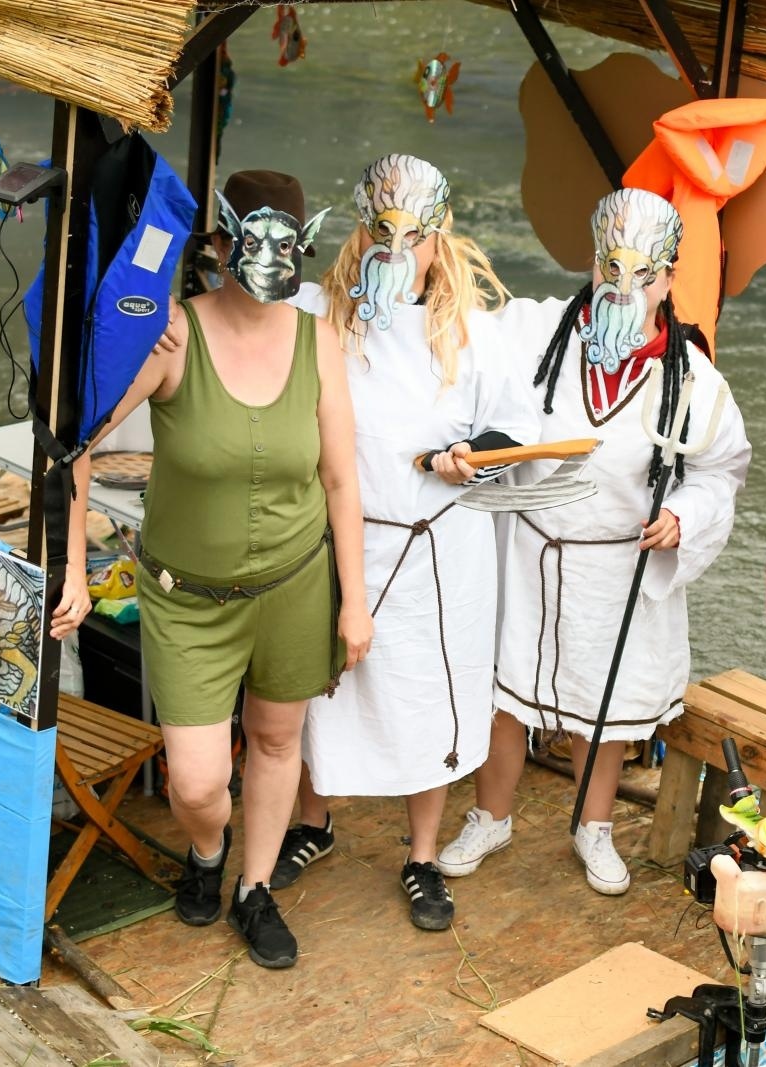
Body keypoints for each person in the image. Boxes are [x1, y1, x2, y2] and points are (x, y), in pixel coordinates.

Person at [48, 170, 372, 970]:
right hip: (187, 598)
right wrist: (72, 566)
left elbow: (340, 479)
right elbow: (75, 440)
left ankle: (252, 889)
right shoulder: (171, 335)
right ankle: (205, 847)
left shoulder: (318, 340)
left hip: (295, 584)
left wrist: (354, 601)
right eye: (244, 241)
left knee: (274, 738)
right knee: (196, 781)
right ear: (219, 243)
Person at [435, 188, 751, 895]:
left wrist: (686, 516)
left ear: (670, 277)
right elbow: (468, 365)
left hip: (619, 560)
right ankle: (491, 813)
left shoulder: (691, 378)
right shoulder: (533, 331)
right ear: (593, 262)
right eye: (611, 268)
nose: (623, 287)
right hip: (530, 545)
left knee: (601, 706)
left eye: (643, 274)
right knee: (504, 692)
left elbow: (722, 468)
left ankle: (594, 824)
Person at [269, 153, 539, 930]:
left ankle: (421, 856)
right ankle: (314, 822)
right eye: (383, 231)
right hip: (340, 538)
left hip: (438, 550)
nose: (398, 249)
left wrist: (471, 454)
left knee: (431, 698)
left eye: (414, 236)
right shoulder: (322, 312)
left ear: (438, 239)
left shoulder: (472, 333)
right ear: (361, 231)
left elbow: (515, 428)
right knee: (329, 688)